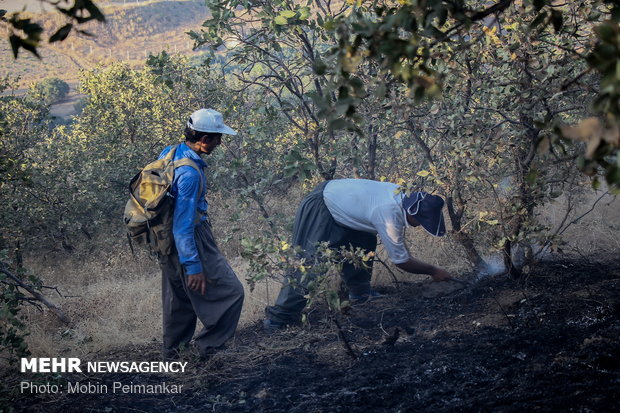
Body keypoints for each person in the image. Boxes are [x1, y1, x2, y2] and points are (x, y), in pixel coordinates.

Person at [264, 178, 453, 331]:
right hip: (321, 205)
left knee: (364, 242)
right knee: (309, 263)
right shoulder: (387, 213)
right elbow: (401, 260)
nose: (419, 225)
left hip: (341, 203)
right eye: (420, 221)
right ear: (412, 214)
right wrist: (433, 270)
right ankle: (278, 318)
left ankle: (359, 293)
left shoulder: (405, 195)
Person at [158, 108, 244, 359]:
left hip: (165, 241)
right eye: (218, 137)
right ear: (204, 139)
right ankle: (208, 349)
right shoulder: (190, 175)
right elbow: (183, 225)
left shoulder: (170, 152)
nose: (220, 142)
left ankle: (173, 354)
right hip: (191, 239)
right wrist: (193, 265)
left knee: (179, 298)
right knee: (233, 292)